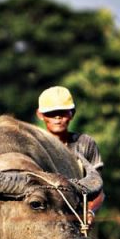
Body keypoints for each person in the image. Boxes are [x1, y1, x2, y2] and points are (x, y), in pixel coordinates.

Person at [36, 86, 104, 223]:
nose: (57, 117)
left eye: (62, 112)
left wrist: (90, 213)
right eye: (51, 113)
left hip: (76, 217)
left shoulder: (85, 143)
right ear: (40, 115)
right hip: (42, 218)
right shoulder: (35, 145)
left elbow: (98, 189)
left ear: (72, 113)